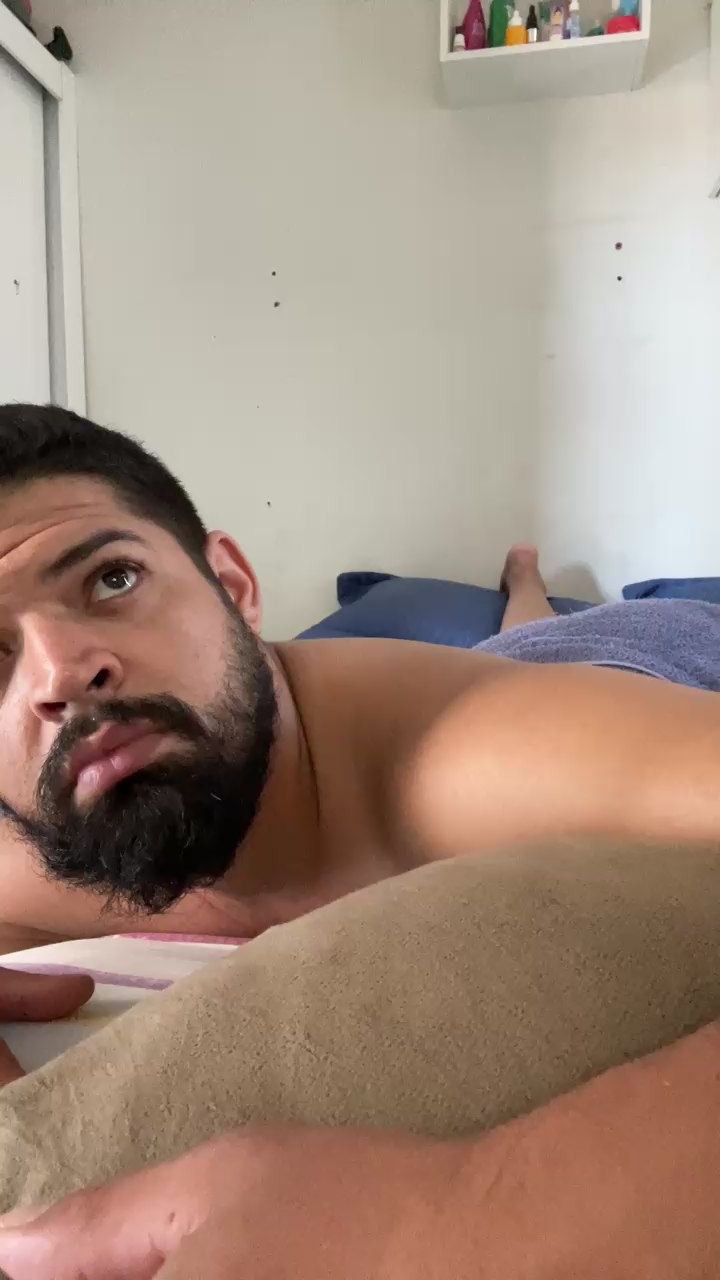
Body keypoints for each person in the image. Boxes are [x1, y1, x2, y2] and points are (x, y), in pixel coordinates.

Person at [1, 402, 720, 1275]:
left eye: (112, 579)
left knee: (560, 639)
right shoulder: (42, 838)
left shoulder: (478, 763)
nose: (61, 673)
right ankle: (522, 581)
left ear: (234, 586)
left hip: (641, 660)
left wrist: (470, 1211)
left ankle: (535, 593)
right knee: (525, 626)